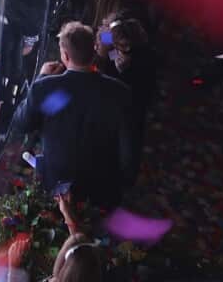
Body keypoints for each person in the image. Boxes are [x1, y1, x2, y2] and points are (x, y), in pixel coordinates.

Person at [11, 22, 137, 209]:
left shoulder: (46, 88)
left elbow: (21, 124)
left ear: (65, 56)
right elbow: (128, 147)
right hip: (103, 186)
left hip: (56, 185)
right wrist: (123, 183)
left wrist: (42, 78)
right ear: (94, 52)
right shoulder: (121, 92)